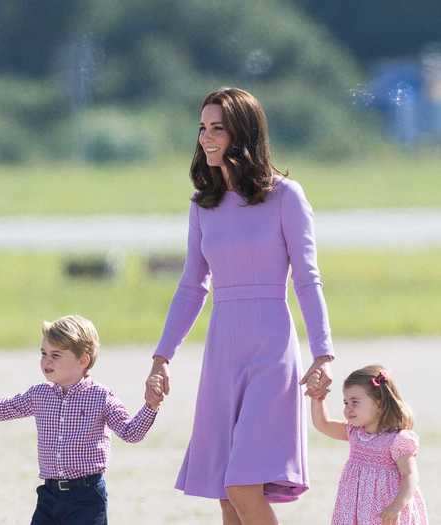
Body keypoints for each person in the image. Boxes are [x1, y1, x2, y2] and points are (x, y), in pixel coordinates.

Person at [145, 87, 334, 525]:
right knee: (226, 494)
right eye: (202, 129)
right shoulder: (203, 205)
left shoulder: (286, 196)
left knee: (242, 484)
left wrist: (324, 353)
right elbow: (192, 285)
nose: (206, 138)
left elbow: (307, 278)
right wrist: (161, 357)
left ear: (243, 134)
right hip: (222, 354)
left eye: (217, 129)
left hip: (271, 350)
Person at [0, 315, 161, 525]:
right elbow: (3, 408)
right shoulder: (40, 394)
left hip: (86, 495)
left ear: (83, 360)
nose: (46, 361)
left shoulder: (101, 397)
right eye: (43, 353)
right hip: (49, 495)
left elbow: (130, 432)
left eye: (56, 355)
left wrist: (150, 406)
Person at [309, 365, 428, 524]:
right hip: (354, 510)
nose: (347, 409)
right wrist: (318, 399)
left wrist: (397, 506)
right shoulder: (354, 432)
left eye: (355, 402)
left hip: (386, 510)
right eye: (346, 402)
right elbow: (322, 424)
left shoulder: (397, 440)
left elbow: (410, 476)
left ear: (379, 403)